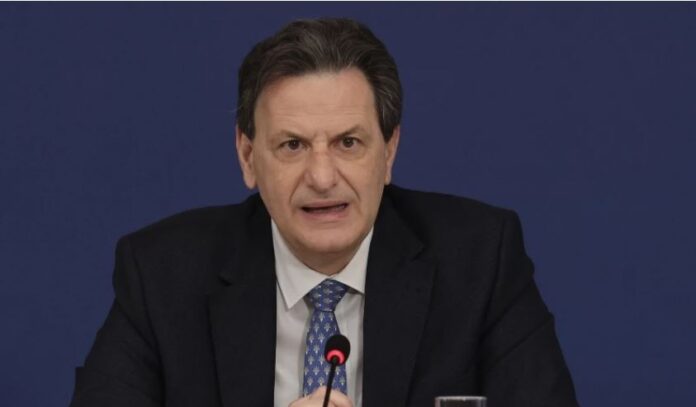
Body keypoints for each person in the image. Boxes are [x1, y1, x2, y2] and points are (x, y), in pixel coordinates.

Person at [71, 18, 578, 407]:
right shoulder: (163, 275)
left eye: (348, 143)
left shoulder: (480, 261)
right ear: (248, 157)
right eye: (292, 145)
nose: (321, 176)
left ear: (389, 152)